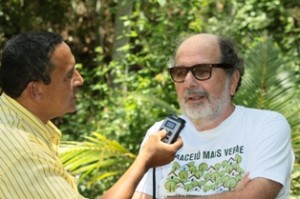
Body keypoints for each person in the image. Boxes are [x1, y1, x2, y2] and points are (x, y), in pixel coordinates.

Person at [0, 31, 183, 199]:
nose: (80, 80)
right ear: (36, 91)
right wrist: (145, 160)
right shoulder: (22, 153)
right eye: (69, 75)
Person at [133, 33, 294, 199]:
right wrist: (235, 195)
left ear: (232, 80)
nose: (188, 82)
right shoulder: (161, 134)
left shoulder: (266, 126)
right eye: (180, 72)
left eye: (202, 71)